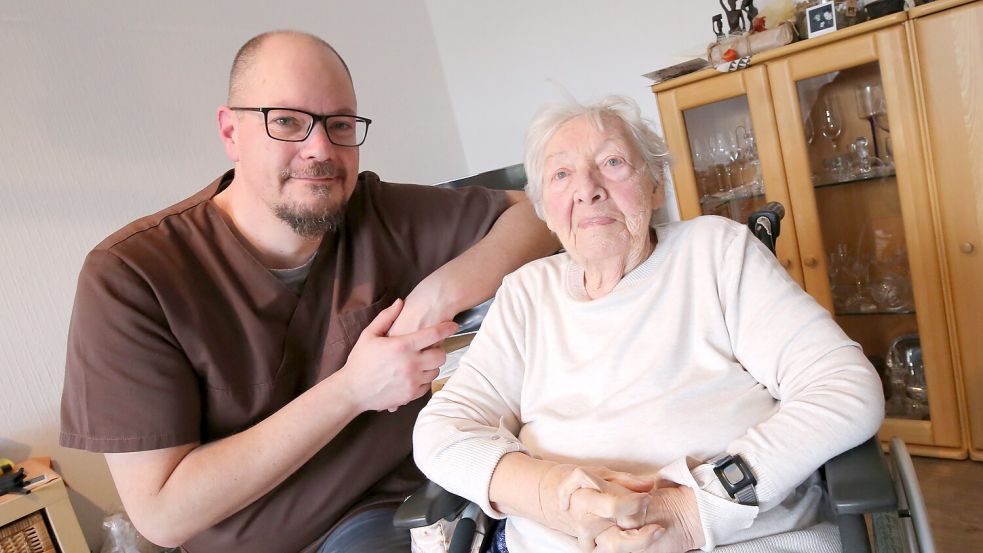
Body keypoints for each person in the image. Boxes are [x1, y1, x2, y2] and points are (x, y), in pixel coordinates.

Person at [59, 30, 557, 553]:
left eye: (340, 124)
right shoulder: (131, 278)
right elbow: (162, 514)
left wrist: (438, 295)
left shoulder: (375, 214)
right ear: (231, 131)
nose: (320, 149)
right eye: (288, 122)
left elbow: (535, 215)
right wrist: (352, 390)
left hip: (385, 516)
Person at [413, 96, 884, 553]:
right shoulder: (526, 294)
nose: (588, 188)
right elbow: (441, 431)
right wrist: (560, 499)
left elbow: (844, 386)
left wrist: (691, 512)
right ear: (544, 212)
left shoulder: (717, 253)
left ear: (656, 183)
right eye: (561, 174)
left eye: (614, 162)